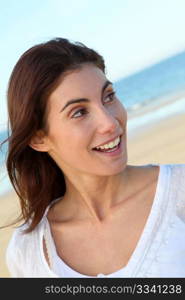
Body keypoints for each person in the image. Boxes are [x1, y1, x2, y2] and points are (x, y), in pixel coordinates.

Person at [2, 37, 185, 278]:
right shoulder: (28, 253)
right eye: (79, 112)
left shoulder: (179, 191)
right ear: (39, 138)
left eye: (108, 96)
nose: (110, 123)